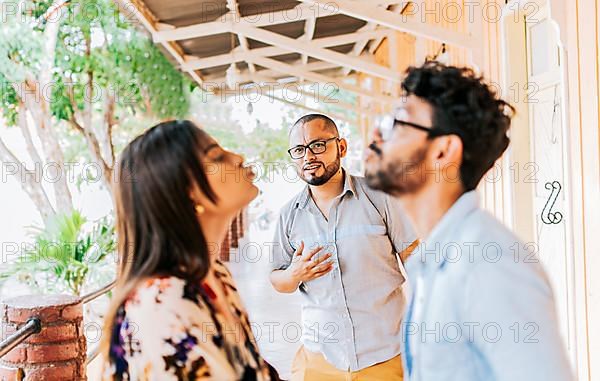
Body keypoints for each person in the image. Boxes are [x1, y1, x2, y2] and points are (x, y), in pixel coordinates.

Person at [364, 62, 573, 381]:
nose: (377, 134)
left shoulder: (489, 262)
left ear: (443, 151)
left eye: (399, 123)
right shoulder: (435, 260)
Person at [100, 120, 279, 380]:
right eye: (217, 157)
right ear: (187, 192)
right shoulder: (162, 304)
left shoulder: (214, 273)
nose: (237, 157)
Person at [270, 114, 417, 380]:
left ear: (342, 147)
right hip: (320, 360)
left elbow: (416, 260)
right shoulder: (288, 215)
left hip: (385, 355)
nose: (308, 157)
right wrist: (294, 274)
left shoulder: (380, 198)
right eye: (299, 150)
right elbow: (278, 279)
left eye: (318, 145)